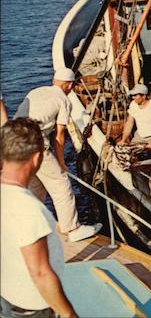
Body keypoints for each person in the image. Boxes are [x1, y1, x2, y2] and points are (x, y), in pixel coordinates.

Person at [1, 118, 78, 318]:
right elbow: (41, 273)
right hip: (32, 307)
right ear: (36, 159)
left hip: (8, 296)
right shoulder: (28, 209)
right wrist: (69, 314)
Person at [14, 67, 101, 242]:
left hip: (14, 142)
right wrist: (61, 162)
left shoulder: (37, 91)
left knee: (35, 188)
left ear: (55, 81)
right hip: (34, 144)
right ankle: (72, 228)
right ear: (69, 85)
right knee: (61, 185)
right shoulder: (63, 100)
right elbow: (59, 135)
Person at [119, 84, 151, 152]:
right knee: (127, 152)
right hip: (140, 137)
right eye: (133, 95)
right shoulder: (133, 104)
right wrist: (123, 140)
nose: (133, 97)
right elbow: (129, 123)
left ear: (144, 96)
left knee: (145, 154)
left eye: (136, 95)